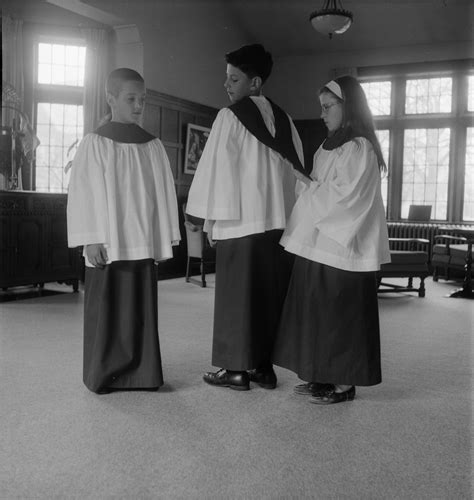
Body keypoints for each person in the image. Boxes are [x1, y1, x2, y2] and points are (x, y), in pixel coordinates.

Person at [186, 44, 307, 391]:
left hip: (240, 222)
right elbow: (294, 172)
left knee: (235, 299)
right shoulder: (284, 120)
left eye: (234, 79)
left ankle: (235, 369)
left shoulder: (231, 116)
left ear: (254, 82)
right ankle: (263, 369)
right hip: (277, 225)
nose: (227, 85)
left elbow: (217, 172)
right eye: (226, 78)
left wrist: (209, 220)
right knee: (268, 297)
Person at [272, 75, 391, 404]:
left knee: (340, 317)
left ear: (348, 107)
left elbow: (345, 199)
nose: (322, 114)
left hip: (343, 246)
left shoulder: (359, 148)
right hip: (318, 242)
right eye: (321, 108)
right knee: (315, 311)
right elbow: (316, 190)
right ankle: (320, 375)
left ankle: (343, 384)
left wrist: (307, 185)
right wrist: (304, 182)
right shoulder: (328, 148)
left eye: (327, 108)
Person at [67, 68, 180, 394]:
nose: (138, 105)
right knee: (107, 308)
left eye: (142, 99)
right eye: (131, 98)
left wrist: (162, 237)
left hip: (142, 240)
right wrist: (90, 239)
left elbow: (161, 195)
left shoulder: (153, 146)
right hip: (109, 240)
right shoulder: (95, 143)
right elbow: (84, 193)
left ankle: (142, 373)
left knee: (139, 309)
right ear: (110, 98)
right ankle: (104, 373)